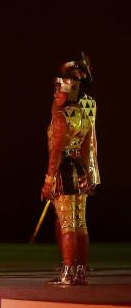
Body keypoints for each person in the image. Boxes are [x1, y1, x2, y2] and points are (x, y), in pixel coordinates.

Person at [41, 54, 99, 285]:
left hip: (64, 171)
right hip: (79, 170)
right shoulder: (84, 115)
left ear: (71, 91)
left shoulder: (60, 117)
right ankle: (79, 272)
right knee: (80, 223)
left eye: (59, 90)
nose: (55, 94)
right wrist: (87, 175)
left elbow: (55, 152)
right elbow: (85, 150)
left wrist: (48, 179)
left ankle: (67, 272)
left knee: (67, 223)